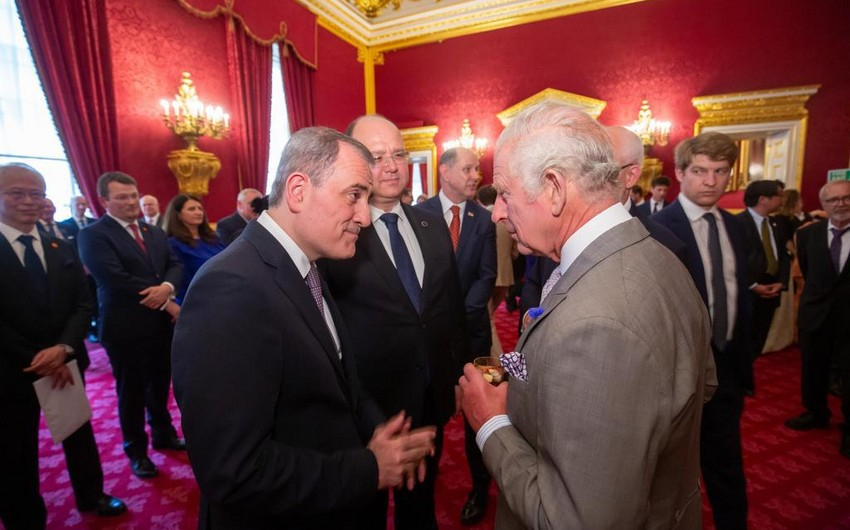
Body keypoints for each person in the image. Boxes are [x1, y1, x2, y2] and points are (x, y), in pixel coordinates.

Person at [458, 102, 715, 529]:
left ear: (554, 188)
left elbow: (574, 520)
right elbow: (696, 386)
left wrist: (492, 424)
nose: (498, 214)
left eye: (504, 194)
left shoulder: (597, 325)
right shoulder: (658, 255)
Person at [172, 126, 436, 529]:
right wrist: (369, 469)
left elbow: (339, 381)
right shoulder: (231, 287)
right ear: (298, 191)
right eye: (354, 195)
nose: (365, 217)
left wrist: (377, 428)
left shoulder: (306, 266)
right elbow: (234, 470)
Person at [322, 115, 467, 530]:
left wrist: (457, 375)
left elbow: (451, 309)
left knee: (419, 505)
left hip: (429, 398)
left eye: (399, 154)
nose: (390, 166)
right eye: (376, 156)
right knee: (363, 511)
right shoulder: (337, 232)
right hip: (365, 406)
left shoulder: (431, 224)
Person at [0, 164, 126, 529]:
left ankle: (92, 494)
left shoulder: (59, 244)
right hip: (11, 369)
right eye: (17, 194)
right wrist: (36, 357)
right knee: (14, 451)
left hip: (66, 360)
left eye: (36, 194)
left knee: (77, 432)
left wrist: (63, 348)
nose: (29, 201)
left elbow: (83, 304)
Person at [653, 131, 752, 529]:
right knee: (667, 474)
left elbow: (740, 293)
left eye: (720, 171)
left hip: (727, 369)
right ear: (680, 173)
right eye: (700, 171)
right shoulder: (657, 228)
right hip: (676, 373)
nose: (711, 181)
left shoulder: (738, 227)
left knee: (726, 465)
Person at [77, 171, 184, 480]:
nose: (130, 202)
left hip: (160, 326)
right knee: (132, 392)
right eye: (122, 197)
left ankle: (163, 434)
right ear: (104, 201)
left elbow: (174, 265)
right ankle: (136, 451)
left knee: (160, 384)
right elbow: (114, 278)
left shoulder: (153, 231)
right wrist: (166, 300)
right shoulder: (94, 234)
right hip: (125, 328)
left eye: (133, 195)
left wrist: (166, 288)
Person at [418, 147, 496, 525]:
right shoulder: (419, 216)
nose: (475, 176)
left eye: (476, 169)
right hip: (429, 341)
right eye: (467, 169)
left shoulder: (485, 220)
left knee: (478, 417)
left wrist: (457, 317)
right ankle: (422, 488)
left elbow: (486, 276)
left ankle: (481, 488)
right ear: (445, 171)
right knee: (429, 414)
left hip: (473, 336)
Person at [785, 180, 850, 458]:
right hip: (816, 314)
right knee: (813, 367)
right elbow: (809, 270)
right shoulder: (808, 235)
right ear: (823, 204)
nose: (840, 204)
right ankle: (815, 412)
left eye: (846, 198)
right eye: (833, 200)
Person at [737, 180, 791, 373]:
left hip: (772, 288)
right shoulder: (737, 223)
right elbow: (734, 260)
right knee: (742, 340)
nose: (782, 200)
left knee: (760, 338)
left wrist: (781, 282)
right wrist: (753, 285)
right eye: (779, 195)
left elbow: (784, 256)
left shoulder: (777, 223)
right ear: (763, 199)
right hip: (746, 290)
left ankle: (748, 372)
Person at [164, 194, 225, 304]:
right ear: (178, 215)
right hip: (196, 299)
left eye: (200, 208)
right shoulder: (174, 244)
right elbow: (181, 278)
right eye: (192, 209)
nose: (198, 212)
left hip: (224, 292)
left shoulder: (214, 238)